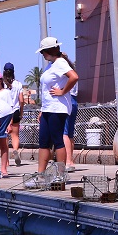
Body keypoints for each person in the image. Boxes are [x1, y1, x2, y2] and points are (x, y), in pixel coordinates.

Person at [36, 37, 78, 178]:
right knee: (43, 141)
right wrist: (42, 110)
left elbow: (74, 77)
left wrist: (63, 91)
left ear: (49, 51)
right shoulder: (52, 64)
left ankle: (61, 175)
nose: (42, 54)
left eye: (43, 52)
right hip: (48, 108)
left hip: (57, 108)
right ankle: (40, 174)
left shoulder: (60, 62)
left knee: (57, 140)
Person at [59, 52, 81, 172]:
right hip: (74, 101)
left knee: (64, 133)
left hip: (67, 101)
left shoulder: (64, 73)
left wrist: (61, 91)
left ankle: (68, 161)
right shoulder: (73, 71)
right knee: (70, 133)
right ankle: (70, 159)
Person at [1, 62, 25, 166]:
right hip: (15, 111)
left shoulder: (2, 83)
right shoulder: (18, 84)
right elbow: (21, 100)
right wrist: (21, 112)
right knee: (15, 135)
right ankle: (15, 150)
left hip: (4, 112)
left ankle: (5, 160)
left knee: (4, 136)